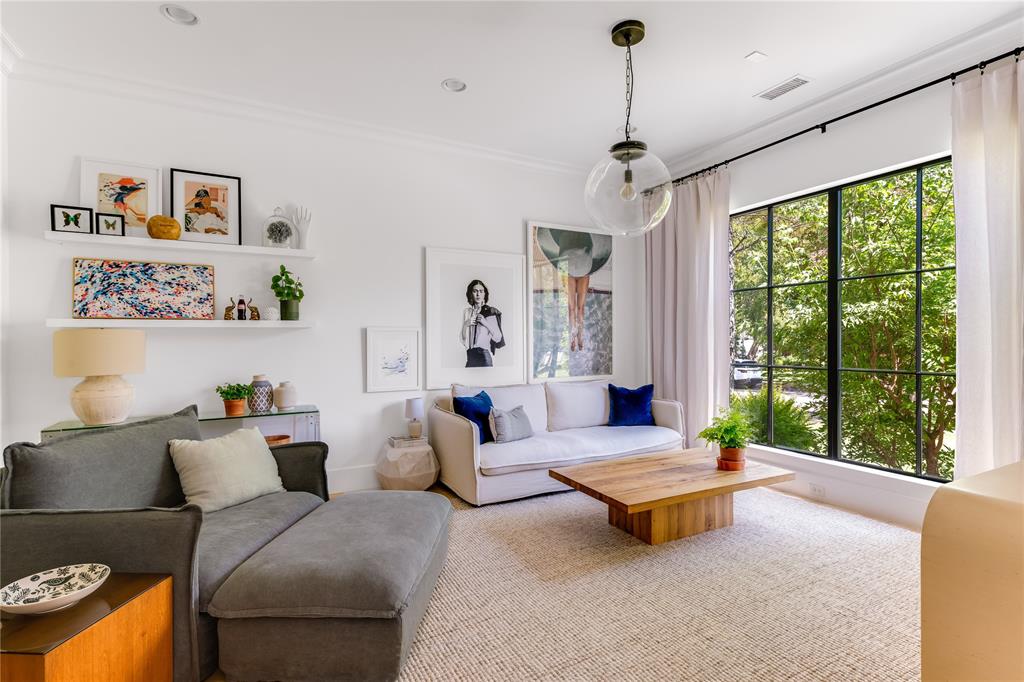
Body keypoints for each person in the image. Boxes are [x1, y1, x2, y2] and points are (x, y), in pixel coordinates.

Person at [535, 227, 612, 351]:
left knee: (573, 307)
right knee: (578, 307)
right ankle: (578, 336)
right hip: (578, 269)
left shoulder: (575, 258)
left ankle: (576, 336)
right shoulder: (582, 259)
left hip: (573, 269)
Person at [460, 279, 504, 367]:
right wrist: (465, 325)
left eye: (481, 291)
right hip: (470, 356)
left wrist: (485, 323)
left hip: (484, 356)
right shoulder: (467, 312)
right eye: (475, 291)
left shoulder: (490, 311)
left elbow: (498, 338)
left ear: (484, 294)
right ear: (470, 294)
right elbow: (463, 340)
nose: (478, 294)